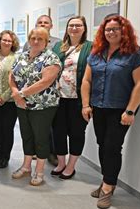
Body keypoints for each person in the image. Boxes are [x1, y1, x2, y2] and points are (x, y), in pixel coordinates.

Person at [81, 15, 140, 209]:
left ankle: (108, 188)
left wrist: (130, 110)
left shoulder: (135, 54)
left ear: (124, 31)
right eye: (108, 29)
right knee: (102, 144)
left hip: (120, 109)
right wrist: (85, 105)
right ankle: (107, 179)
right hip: (98, 107)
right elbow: (86, 81)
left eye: (115, 29)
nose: (111, 32)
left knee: (112, 146)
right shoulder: (96, 53)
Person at [9, 27, 61, 186]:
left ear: (47, 42)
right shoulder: (22, 56)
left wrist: (21, 94)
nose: (36, 41)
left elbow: (45, 81)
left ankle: (39, 171)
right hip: (22, 104)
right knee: (27, 135)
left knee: (41, 137)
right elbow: (11, 76)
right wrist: (15, 92)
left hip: (43, 105)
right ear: (29, 40)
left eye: (40, 39)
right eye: (33, 38)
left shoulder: (51, 58)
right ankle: (26, 167)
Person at [51, 16, 92, 179]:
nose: (74, 28)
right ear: (67, 28)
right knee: (58, 132)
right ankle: (61, 163)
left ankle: (71, 165)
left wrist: (88, 103)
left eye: (78, 25)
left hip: (79, 99)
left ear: (84, 28)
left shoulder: (90, 47)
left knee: (77, 132)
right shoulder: (58, 47)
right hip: (58, 97)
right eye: (71, 25)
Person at [22, 14, 61, 166]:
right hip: (29, 96)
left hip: (47, 95)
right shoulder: (27, 45)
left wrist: (22, 93)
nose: (43, 24)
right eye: (40, 22)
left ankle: (48, 156)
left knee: (47, 130)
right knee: (32, 131)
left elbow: (51, 73)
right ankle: (32, 158)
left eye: (46, 22)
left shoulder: (58, 44)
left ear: (51, 26)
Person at [0, 30, 20, 169]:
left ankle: (5, 157)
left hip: (11, 101)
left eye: (9, 40)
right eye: (4, 40)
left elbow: (18, 80)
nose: (7, 42)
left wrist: (5, 96)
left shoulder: (17, 58)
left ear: (13, 43)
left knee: (7, 130)